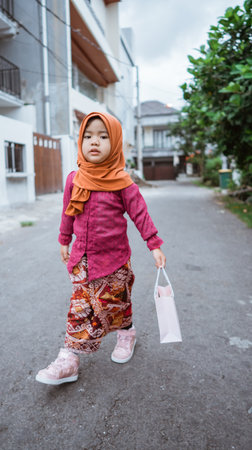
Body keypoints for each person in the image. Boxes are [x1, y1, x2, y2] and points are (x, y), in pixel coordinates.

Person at [35, 112, 166, 385]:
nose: (94, 142)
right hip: (82, 260)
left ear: (115, 143)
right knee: (80, 307)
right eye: (88, 136)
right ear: (80, 141)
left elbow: (140, 214)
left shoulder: (123, 182)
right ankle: (68, 359)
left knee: (118, 304)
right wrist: (63, 239)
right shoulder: (75, 179)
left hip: (115, 261)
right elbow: (68, 213)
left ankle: (127, 334)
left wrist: (154, 244)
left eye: (103, 136)